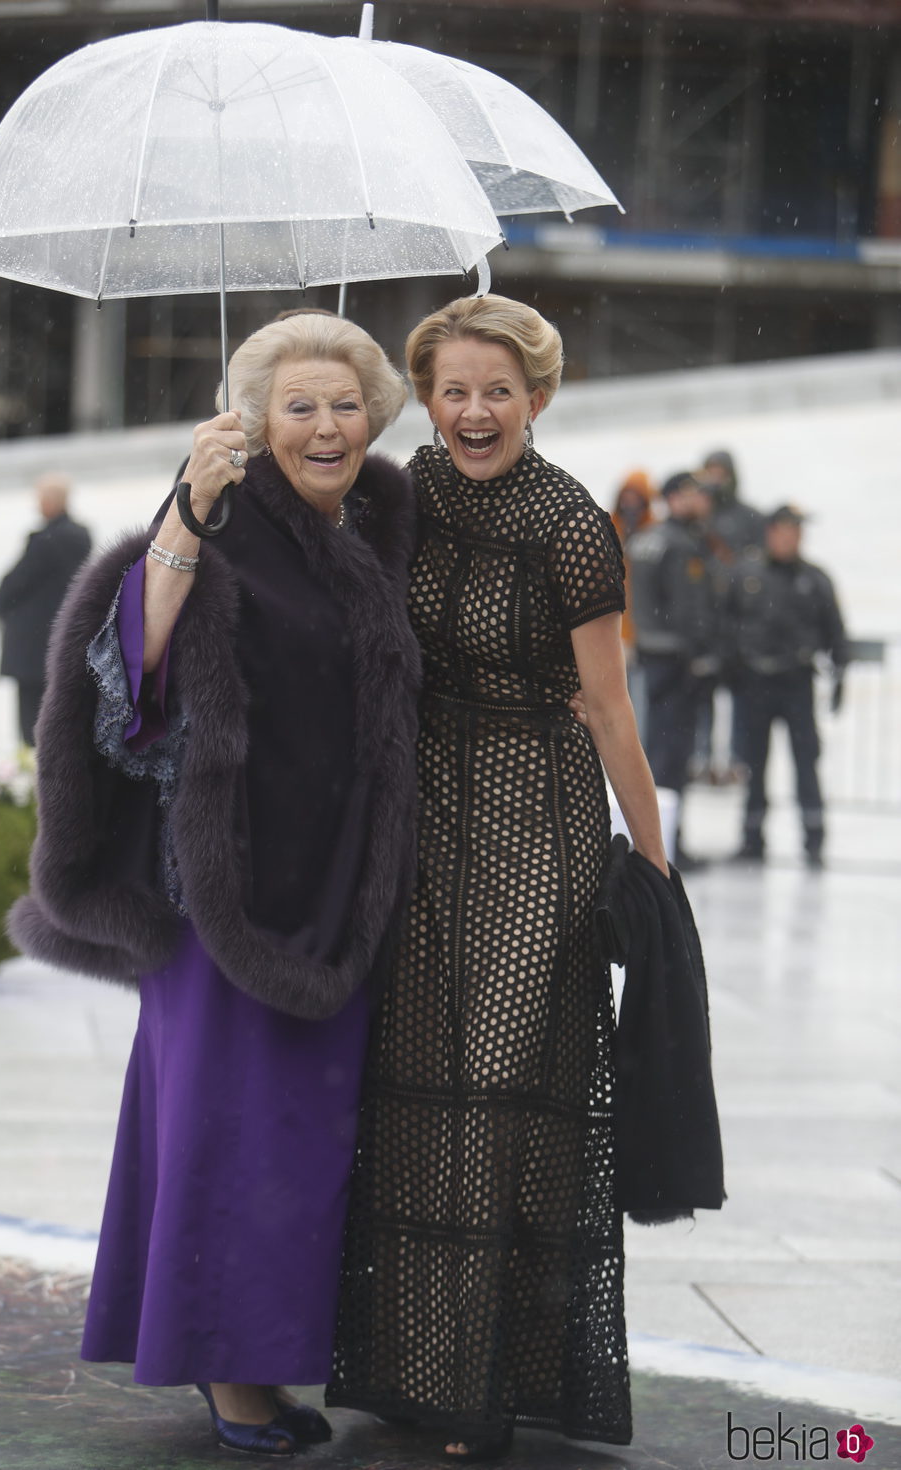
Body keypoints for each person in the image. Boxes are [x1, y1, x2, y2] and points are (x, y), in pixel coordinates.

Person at [8, 313, 420, 1458]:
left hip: (339, 887)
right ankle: (227, 1373)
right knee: (226, 1129)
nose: (326, 426)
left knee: (299, 1134)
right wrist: (187, 510)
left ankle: (261, 1351)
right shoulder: (217, 518)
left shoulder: (379, 529)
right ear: (254, 423)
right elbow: (124, 674)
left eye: (344, 405)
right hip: (223, 893)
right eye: (298, 407)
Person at [328, 295, 669, 1462]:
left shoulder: (572, 524)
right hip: (419, 814)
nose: (473, 411)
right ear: (424, 397)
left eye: (496, 391)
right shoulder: (394, 495)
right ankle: (411, 1365)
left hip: (539, 817)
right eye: (451, 389)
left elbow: (608, 707)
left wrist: (655, 867)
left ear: (536, 397)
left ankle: (492, 1378)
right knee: (417, 1085)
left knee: (497, 1092)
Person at [727, 504, 848, 868]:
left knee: (806, 761)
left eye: (796, 532)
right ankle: (751, 838)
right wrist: (729, 671)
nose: (790, 538)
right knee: (754, 763)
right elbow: (724, 626)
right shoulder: (746, 574)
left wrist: (841, 674)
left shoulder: (815, 578)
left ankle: (813, 840)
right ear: (770, 532)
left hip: (797, 684)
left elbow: (836, 633)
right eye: (784, 530)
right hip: (755, 685)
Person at [626, 470, 726, 866]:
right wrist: (703, 655)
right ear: (673, 497)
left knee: (656, 753)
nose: (701, 501)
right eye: (692, 494)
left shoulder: (647, 539)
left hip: (652, 657)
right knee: (671, 756)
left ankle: (658, 843)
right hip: (677, 662)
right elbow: (690, 611)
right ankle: (666, 846)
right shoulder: (681, 545)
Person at [0, 472, 92, 745]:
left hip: (32, 645)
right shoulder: (79, 536)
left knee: (31, 724)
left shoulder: (48, 540)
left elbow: (16, 584)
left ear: (51, 501)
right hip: (60, 639)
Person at [610, 468, 658, 740]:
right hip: (615, 629)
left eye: (636, 498)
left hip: (644, 632)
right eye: (626, 497)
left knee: (640, 699)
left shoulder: (655, 536)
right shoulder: (609, 528)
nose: (630, 504)